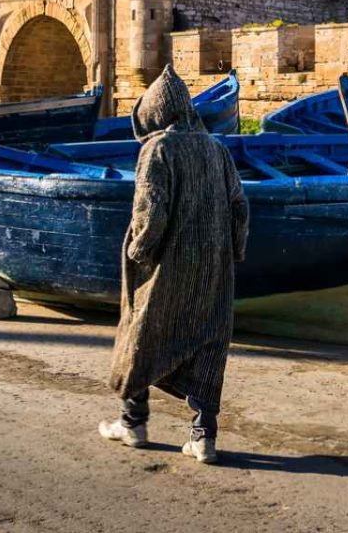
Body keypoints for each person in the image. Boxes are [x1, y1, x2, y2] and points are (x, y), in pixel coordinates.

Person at [99, 64, 249, 464]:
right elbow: (239, 206)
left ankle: (133, 423)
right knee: (207, 341)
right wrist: (234, 253)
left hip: (167, 262)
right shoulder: (217, 149)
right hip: (213, 266)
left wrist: (139, 252)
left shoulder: (157, 149)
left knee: (142, 331)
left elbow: (151, 209)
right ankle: (203, 437)